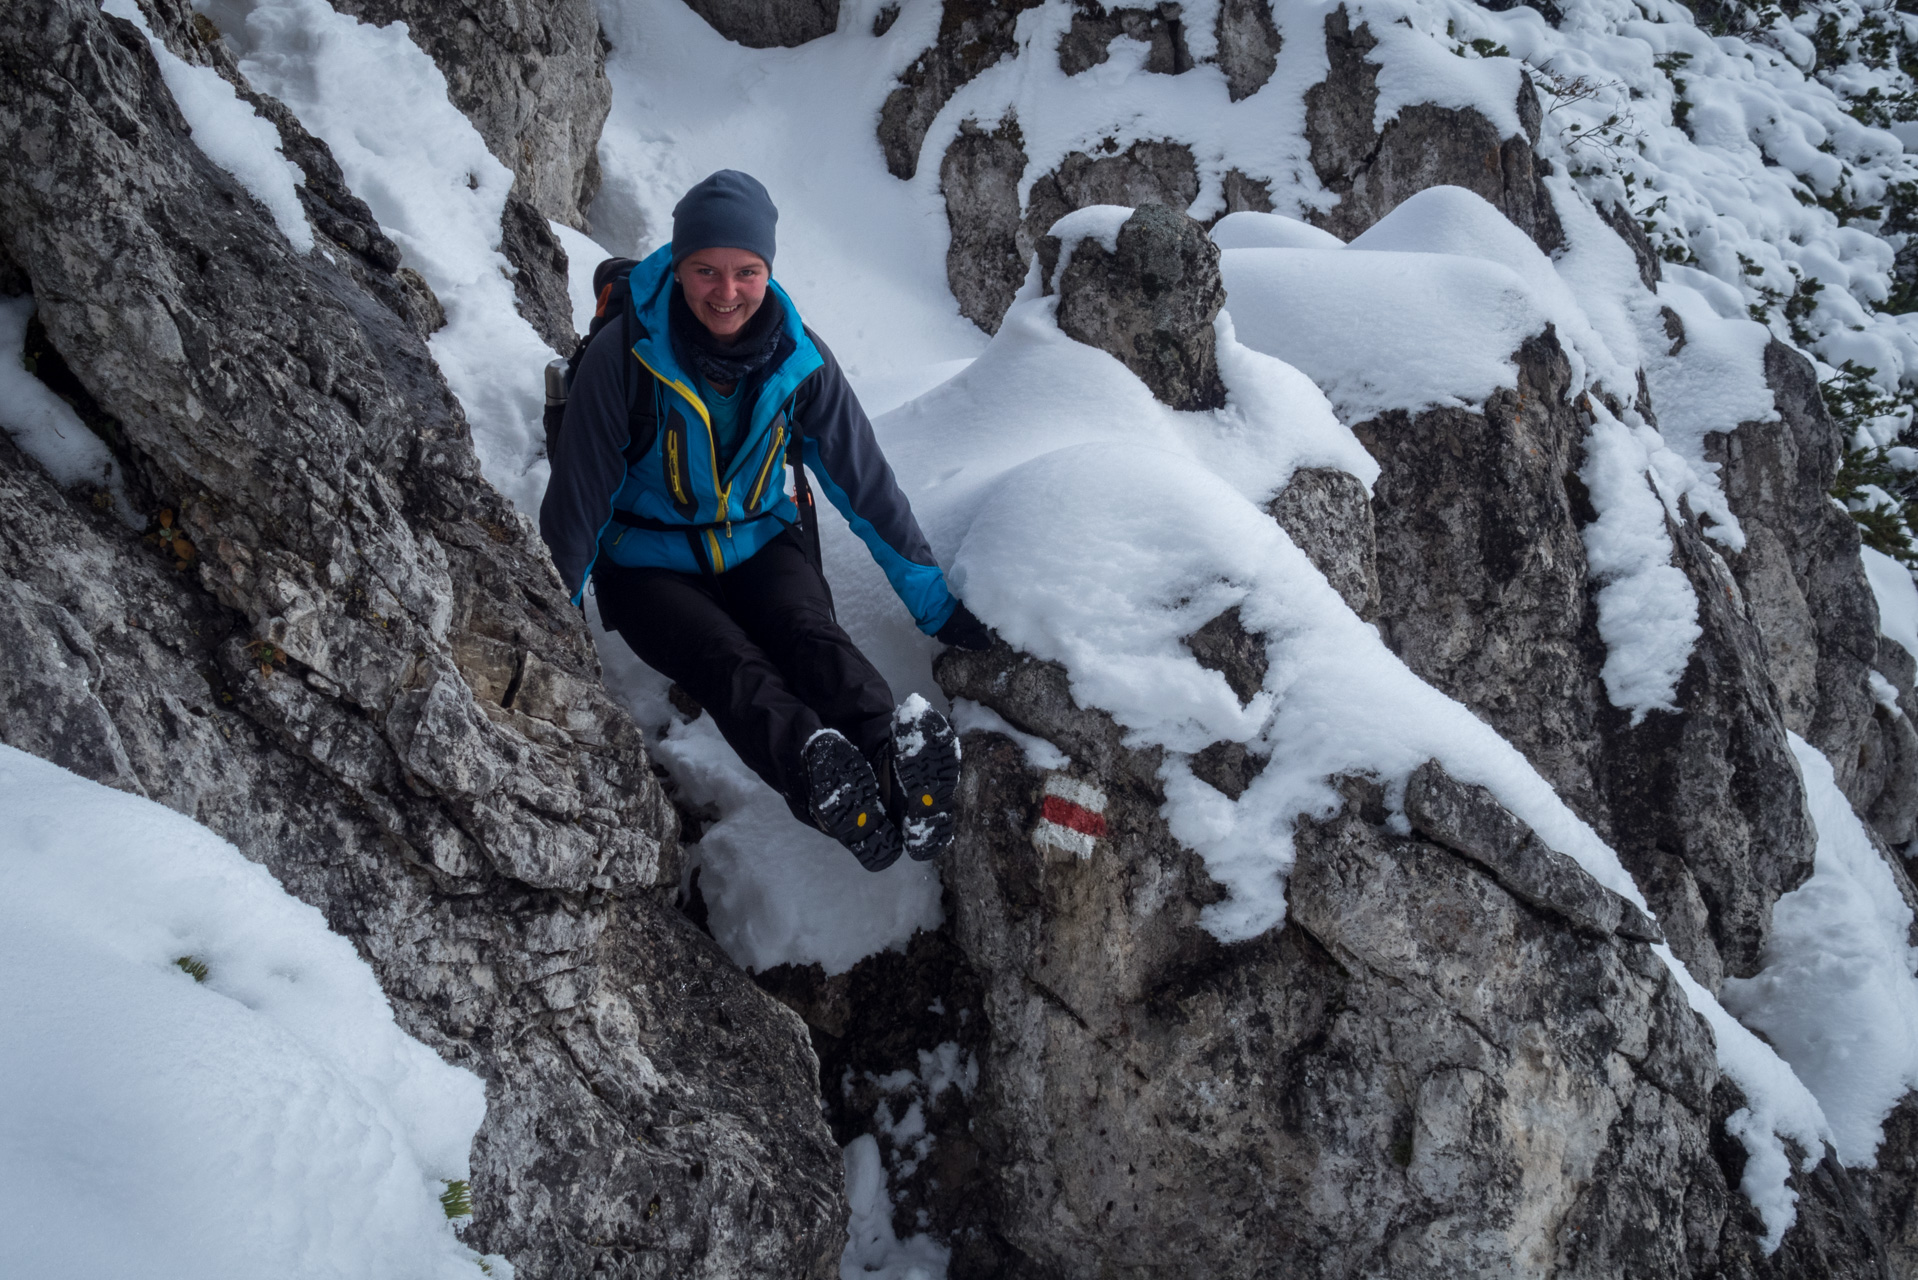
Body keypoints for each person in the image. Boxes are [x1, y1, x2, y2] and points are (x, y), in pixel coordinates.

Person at [539, 170, 991, 871]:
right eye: (706, 270)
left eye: (746, 272)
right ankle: (820, 778)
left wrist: (934, 605)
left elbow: (862, 481)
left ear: (768, 269)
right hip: (646, 560)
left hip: (757, 539)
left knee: (813, 637)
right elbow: (578, 503)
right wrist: (547, 626)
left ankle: (895, 765)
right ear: (680, 266)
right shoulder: (623, 357)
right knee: (729, 663)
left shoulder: (797, 358)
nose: (727, 292)